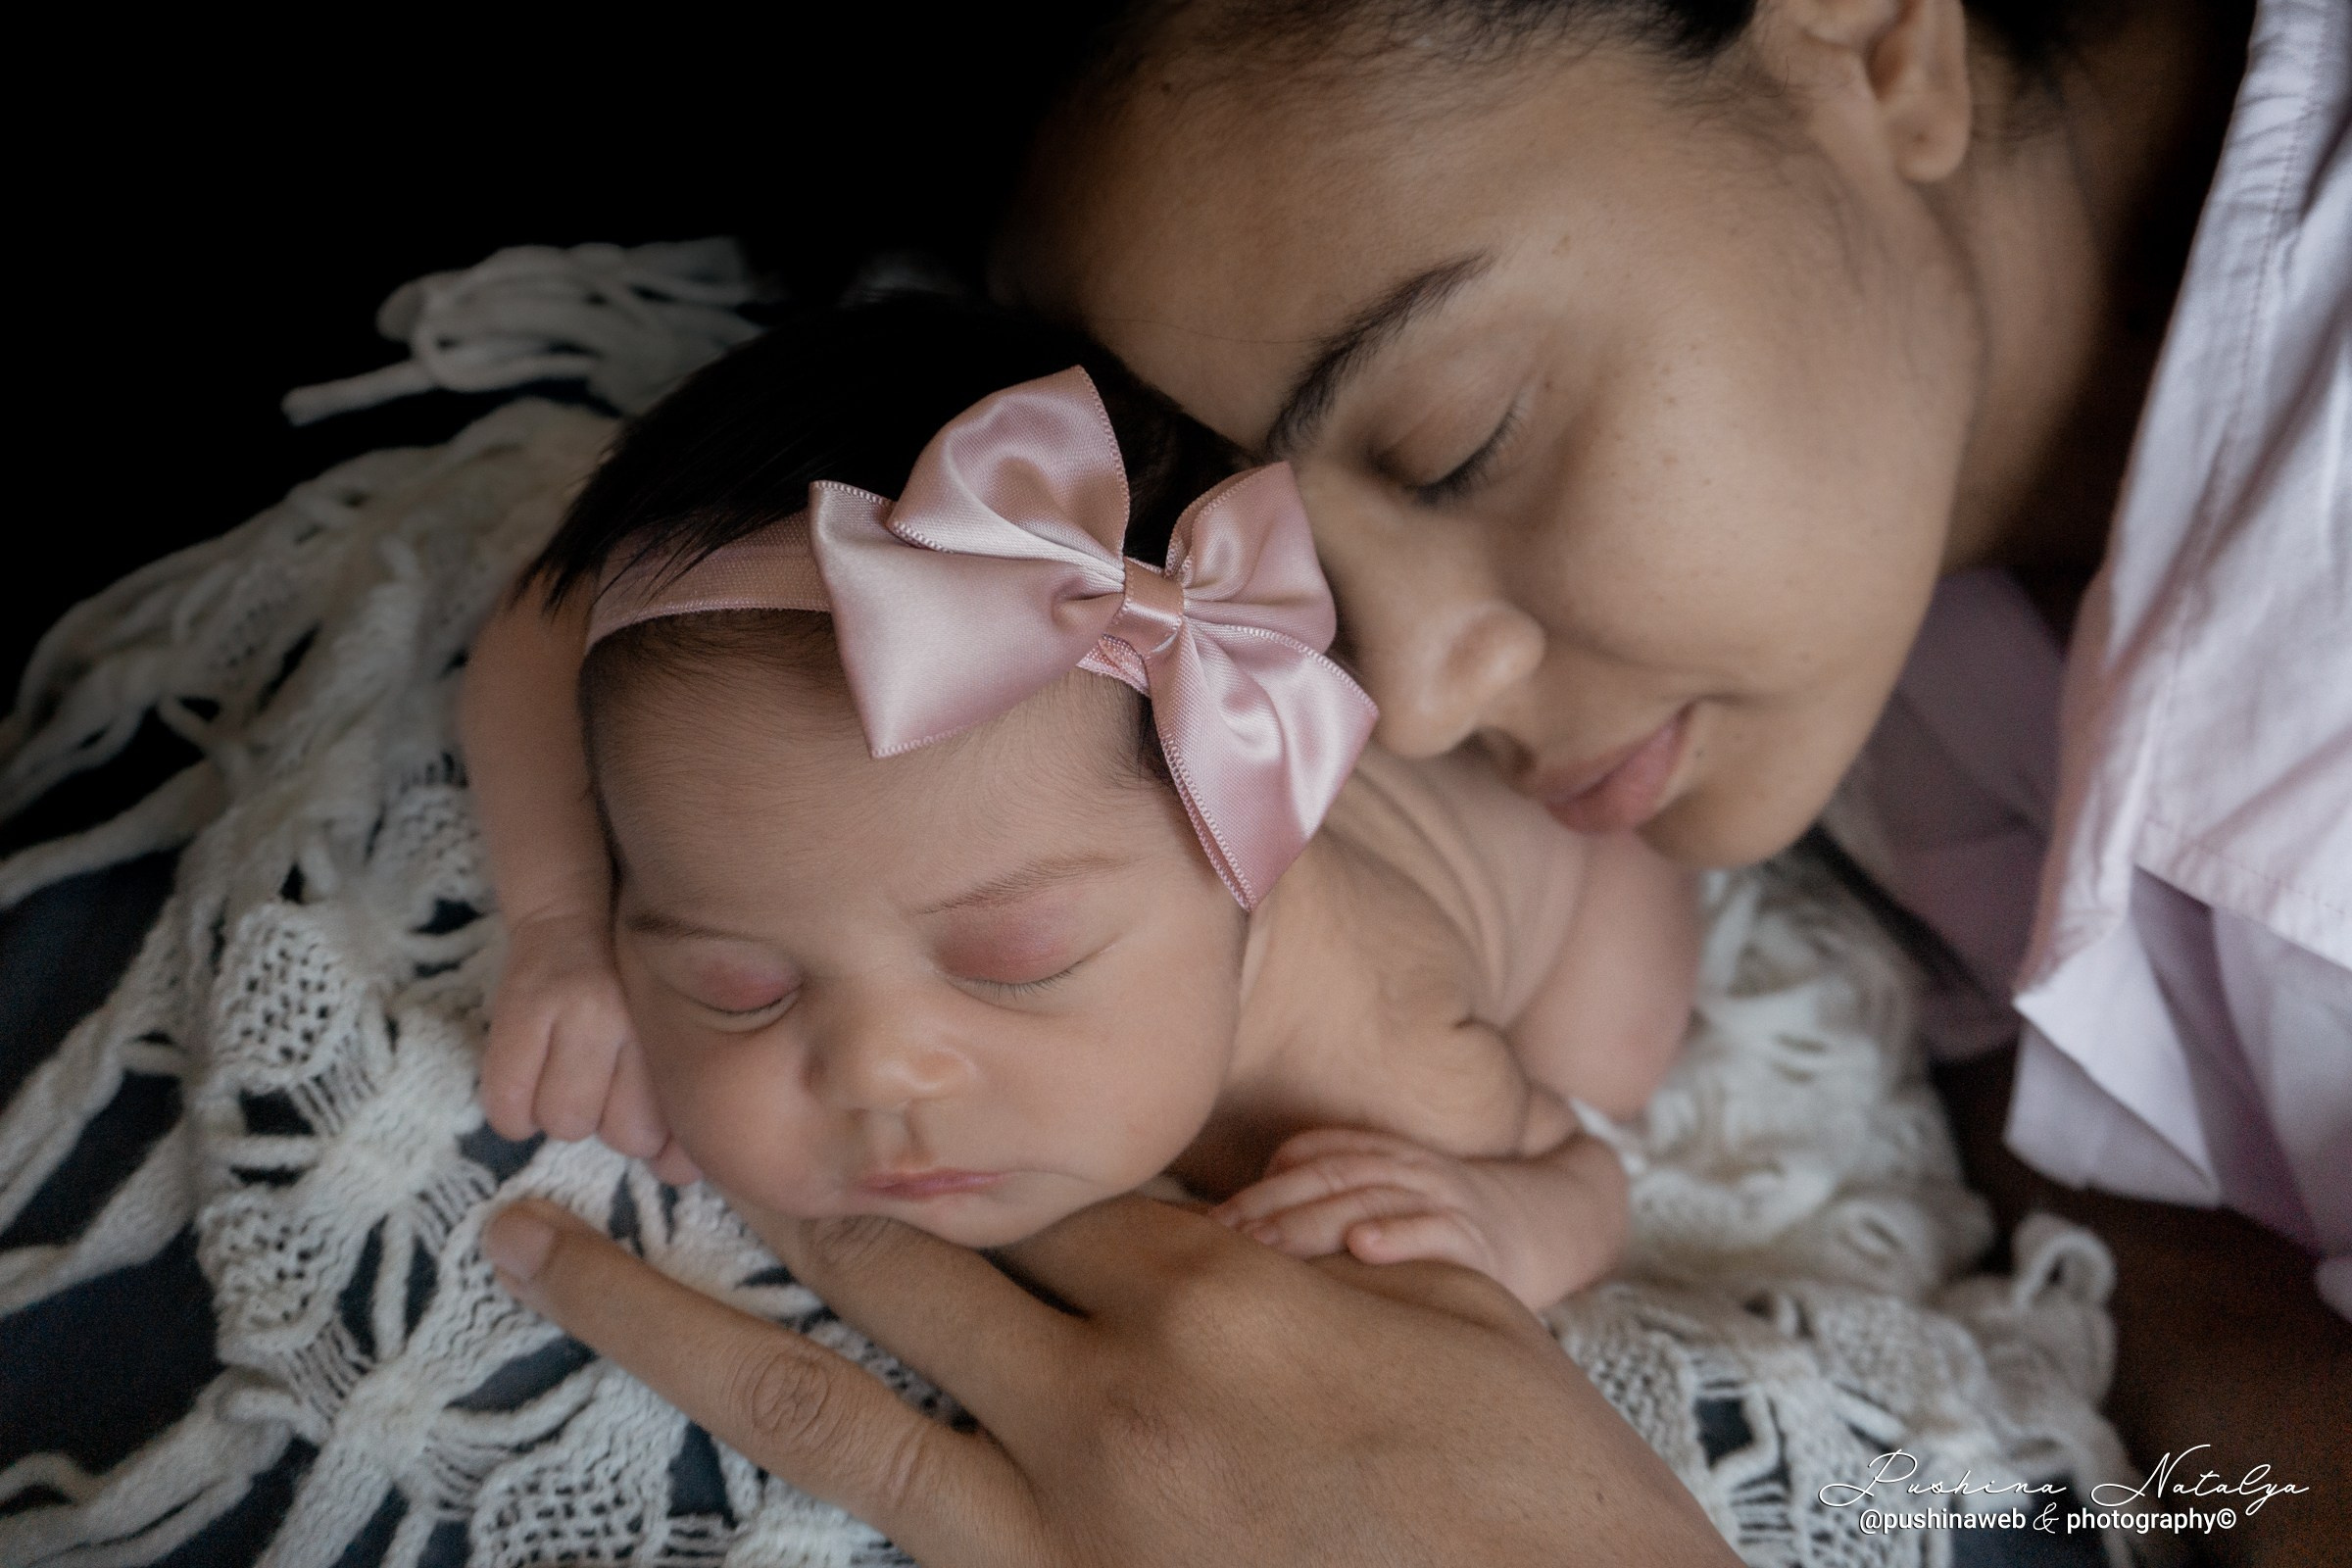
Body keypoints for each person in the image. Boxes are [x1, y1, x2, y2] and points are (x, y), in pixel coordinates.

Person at [491, 0, 2348, 1559]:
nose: (1425, 709)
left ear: (1868, 34)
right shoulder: (1892, 626)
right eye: (1295, 586)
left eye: (1458, 444)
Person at [464, 298, 1699, 1313]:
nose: (880, 1067)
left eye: (1016, 961)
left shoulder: (1375, 1076)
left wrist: (1511, 1216)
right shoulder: (677, 690)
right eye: (738, 984)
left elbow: (1583, 1171)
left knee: (1611, 1054)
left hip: (1569, 866)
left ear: (1247, 861)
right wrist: (562, 927)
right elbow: (539, 621)